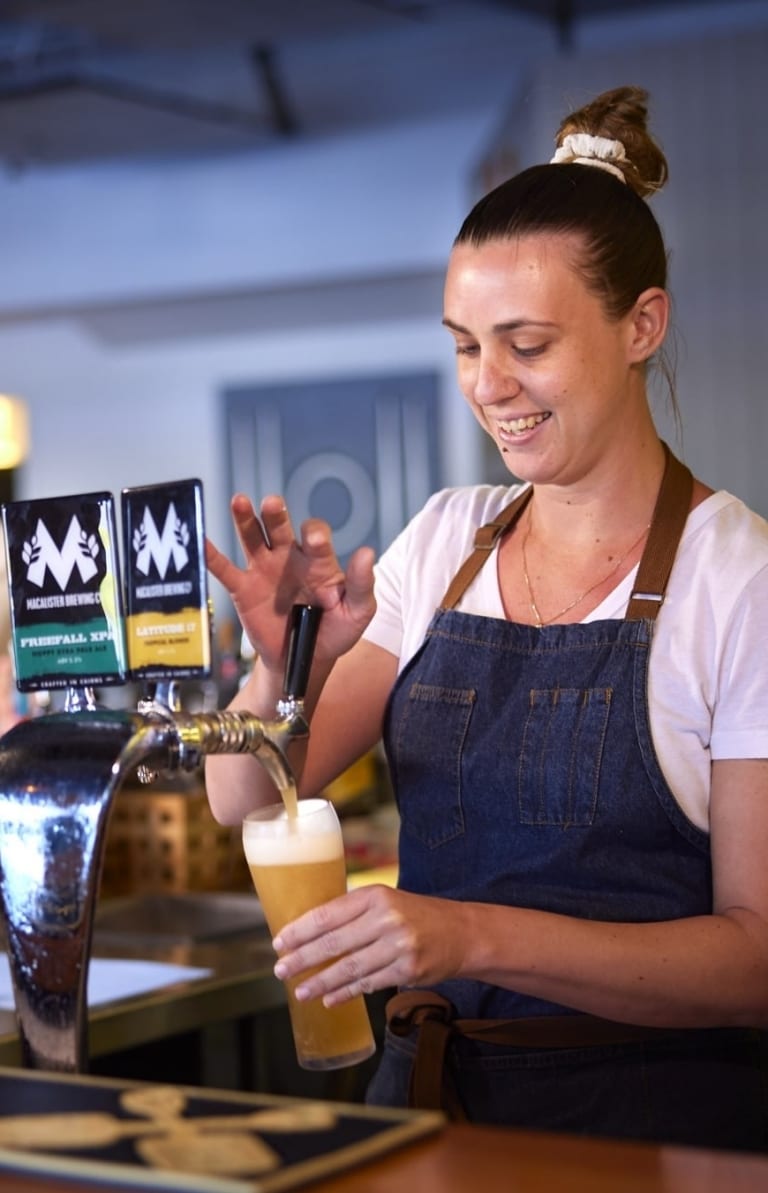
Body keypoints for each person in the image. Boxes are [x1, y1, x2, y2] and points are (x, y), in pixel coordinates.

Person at [204, 85, 768, 1151]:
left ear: (643, 324)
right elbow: (243, 797)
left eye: (528, 343)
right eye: (466, 345)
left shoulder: (738, 579)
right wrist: (279, 671)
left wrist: (463, 934)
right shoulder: (444, 540)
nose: (489, 384)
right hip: (429, 1112)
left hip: (649, 1136)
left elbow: (754, 961)